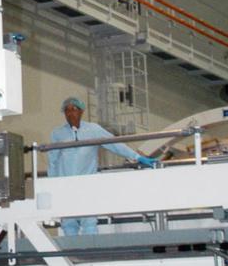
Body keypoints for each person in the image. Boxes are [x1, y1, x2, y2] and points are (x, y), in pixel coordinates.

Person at [48, 95, 154, 236]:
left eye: (74, 109)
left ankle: (91, 248)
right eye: (67, 110)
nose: (70, 113)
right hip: (65, 185)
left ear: (81, 111)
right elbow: (53, 161)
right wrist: (52, 185)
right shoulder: (58, 133)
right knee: (68, 223)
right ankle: (70, 249)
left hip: (87, 184)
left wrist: (137, 157)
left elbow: (114, 144)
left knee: (89, 222)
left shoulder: (93, 130)